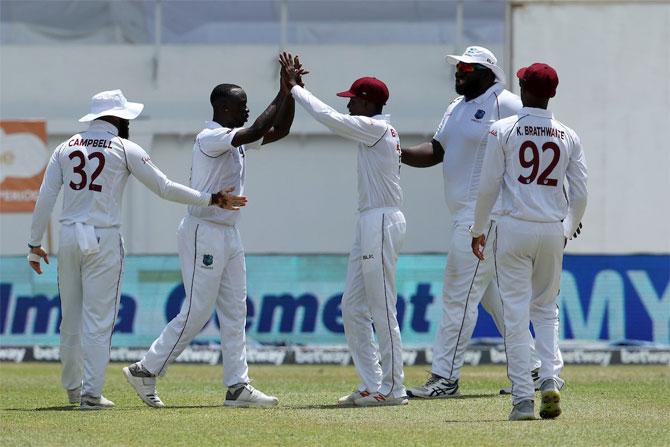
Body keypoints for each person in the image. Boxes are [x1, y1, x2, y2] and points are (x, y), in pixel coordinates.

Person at [27, 89, 244, 410]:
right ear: (115, 118)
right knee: (99, 320)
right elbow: (165, 187)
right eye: (126, 117)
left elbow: (45, 197)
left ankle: (73, 389)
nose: (129, 122)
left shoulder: (65, 147)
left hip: (69, 235)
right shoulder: (124, 147)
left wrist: (34, 244)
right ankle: (90, 394)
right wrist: (210, 198)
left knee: (70, 319)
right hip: (103, 238)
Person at [123, 53, 298, 408]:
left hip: (228, 232)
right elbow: (256, 129)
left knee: (235, 310)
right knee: (199, 310)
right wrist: (281, 90)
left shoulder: (233, 136)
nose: (246, 110)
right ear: (222, 107)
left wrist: (292, 94)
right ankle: (146, 369)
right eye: (241, 105)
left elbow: (280, 131)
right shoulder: (211, 136)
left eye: (248, 104)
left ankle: (237, 386)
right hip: (203, 229)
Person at [402, 46, 554, 398]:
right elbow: (437, 150)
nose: (459, 73)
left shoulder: (508, 103)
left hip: (485, 218)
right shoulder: (456, 107)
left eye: (468, 69)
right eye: (458, 67)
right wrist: (396, 152)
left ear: (488, 73)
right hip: (465, 214)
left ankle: (445, 378)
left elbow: (539, 142)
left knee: (458, 297)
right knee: (495, 299)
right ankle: (535, 370)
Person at [284, 56, 407, 407]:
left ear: (368, 103)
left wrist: (295, 90)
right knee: (352, 306)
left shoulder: (377, 128)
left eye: (353, 98)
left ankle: (394, 388)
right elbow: (335, 116)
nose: (348, 103)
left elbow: (329, 118)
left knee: (381, 306)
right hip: (371, 220)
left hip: (381, 221)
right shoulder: (375, 129)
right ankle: (371, 383)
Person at [471, 62, 587, 420]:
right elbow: (580, 193)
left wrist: (478, 228)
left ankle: (523, 398)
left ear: (523, 89)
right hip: (552, 230)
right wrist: (569, 227)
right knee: (547, 310)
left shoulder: (502, 129)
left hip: (513, 228)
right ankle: (550, 379)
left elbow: (489, 184)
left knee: (516, 314)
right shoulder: (568, 135)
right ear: (552, 94)